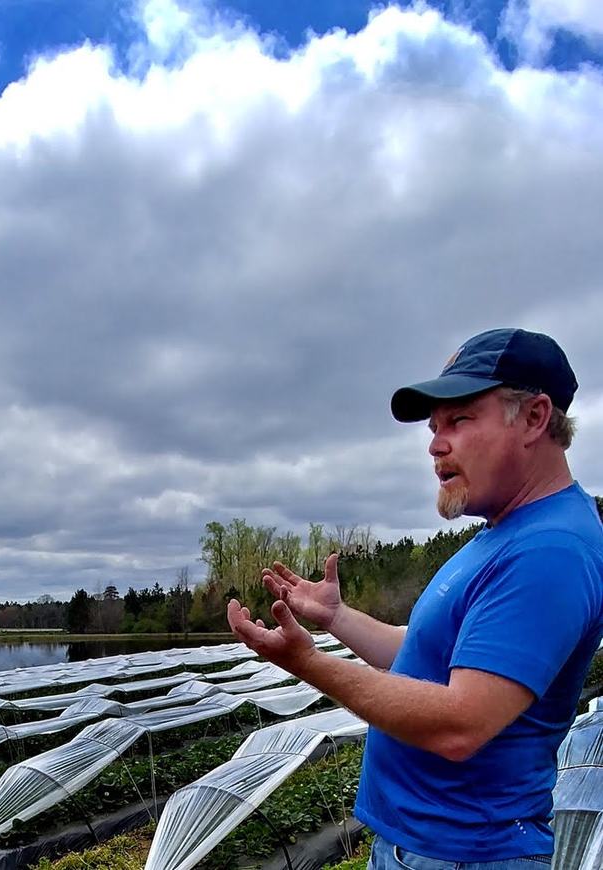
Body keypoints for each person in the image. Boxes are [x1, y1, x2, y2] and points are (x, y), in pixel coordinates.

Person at [227, 328, 603, 869]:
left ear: (536, 418)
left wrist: (306, 662)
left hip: (465, 855)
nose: (435, 444)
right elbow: (426, 655)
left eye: (460, 420)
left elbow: (459, 724)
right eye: (434, 427)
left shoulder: (551, 550)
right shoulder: (508, 532)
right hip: (425, 850)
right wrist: (337, 618)